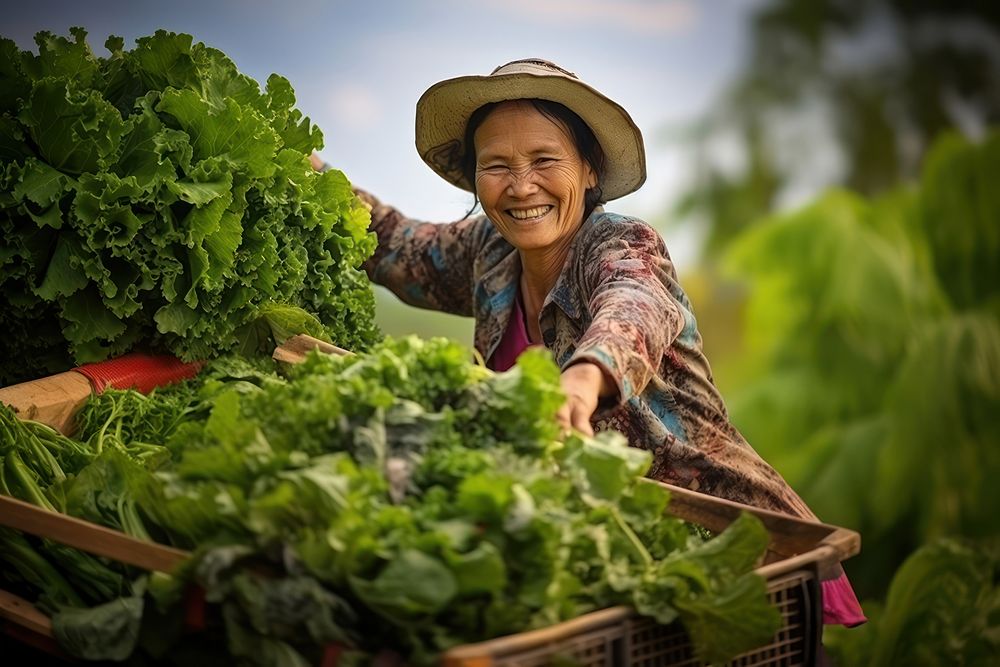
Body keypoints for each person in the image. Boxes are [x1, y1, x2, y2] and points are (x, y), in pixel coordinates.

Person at [320, 58, 865, 628]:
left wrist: (583, 380)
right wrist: (303, 172)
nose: (521, 185)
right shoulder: (489, 252)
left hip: (728, 551)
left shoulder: (620, 244)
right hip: (618, 566)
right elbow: (392, 245)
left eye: (544, 160)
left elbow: (633, 307)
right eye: (497, 165)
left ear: (588, 170)